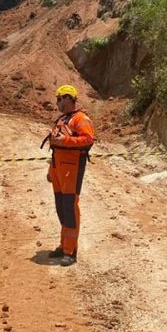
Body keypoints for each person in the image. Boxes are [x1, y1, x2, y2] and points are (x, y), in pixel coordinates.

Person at [43, 85, 95, 267]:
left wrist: (65, 140)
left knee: (70, 209)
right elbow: (55, 148)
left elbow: (88, 139)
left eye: (59, 99)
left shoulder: (81, 119)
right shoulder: (62, 120)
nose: (57, 102)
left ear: (68, 98)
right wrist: (51, 171)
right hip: (59, 169)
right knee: (61, 208)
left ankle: (70, 252)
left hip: (71, 169)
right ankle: (63, 245)